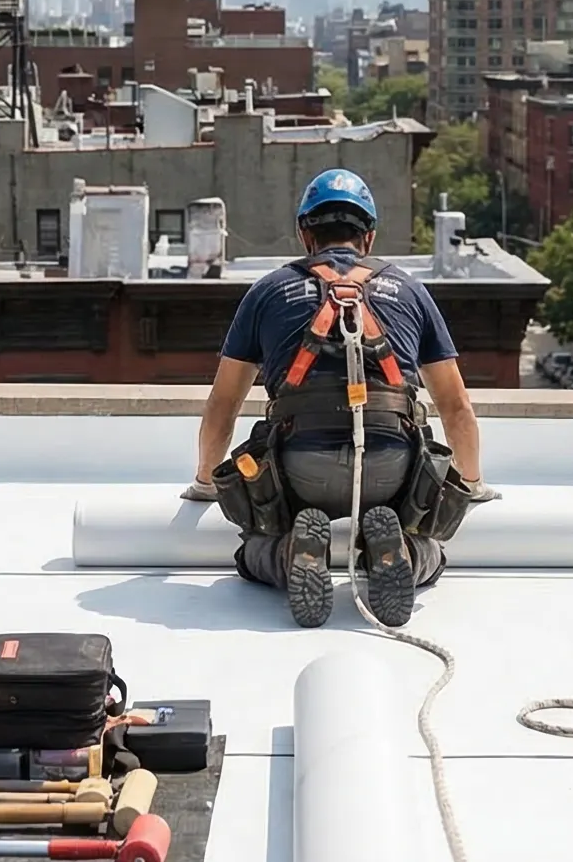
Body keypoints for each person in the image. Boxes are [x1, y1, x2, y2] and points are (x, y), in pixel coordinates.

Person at [188, 169, 491, 628]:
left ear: (303, 234)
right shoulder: (411, 291)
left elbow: (223, 405)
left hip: (297, 469)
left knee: (251, 552)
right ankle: (402, 553)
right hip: (392, 471)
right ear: (368, 237)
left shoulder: (267, 292)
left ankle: (292, 551)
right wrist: (471, 485)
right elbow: (456, 408)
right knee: (433, 549)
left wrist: (206, 482)